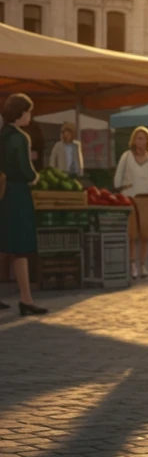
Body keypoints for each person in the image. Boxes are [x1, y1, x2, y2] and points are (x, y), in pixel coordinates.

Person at [0, 93, 48, 316]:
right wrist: (35, 177)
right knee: (20, 248)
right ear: (20, 113)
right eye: (28, 111)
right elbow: (26, 170)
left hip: (2, 191)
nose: (30, 115)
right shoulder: (21, 138)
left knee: (3, 243)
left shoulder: (1, 135)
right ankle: (26, 299)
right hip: (18, 193)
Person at [114, 127, 148, 280]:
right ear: (133, 140)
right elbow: (117, 178)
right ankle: (132, 265)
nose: (140, 141)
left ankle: (142, 264)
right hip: (130, 199)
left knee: (146, 234)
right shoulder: (126, 156)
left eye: (143, 138)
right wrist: (122, 187)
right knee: (131, 233)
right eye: (138, 138)